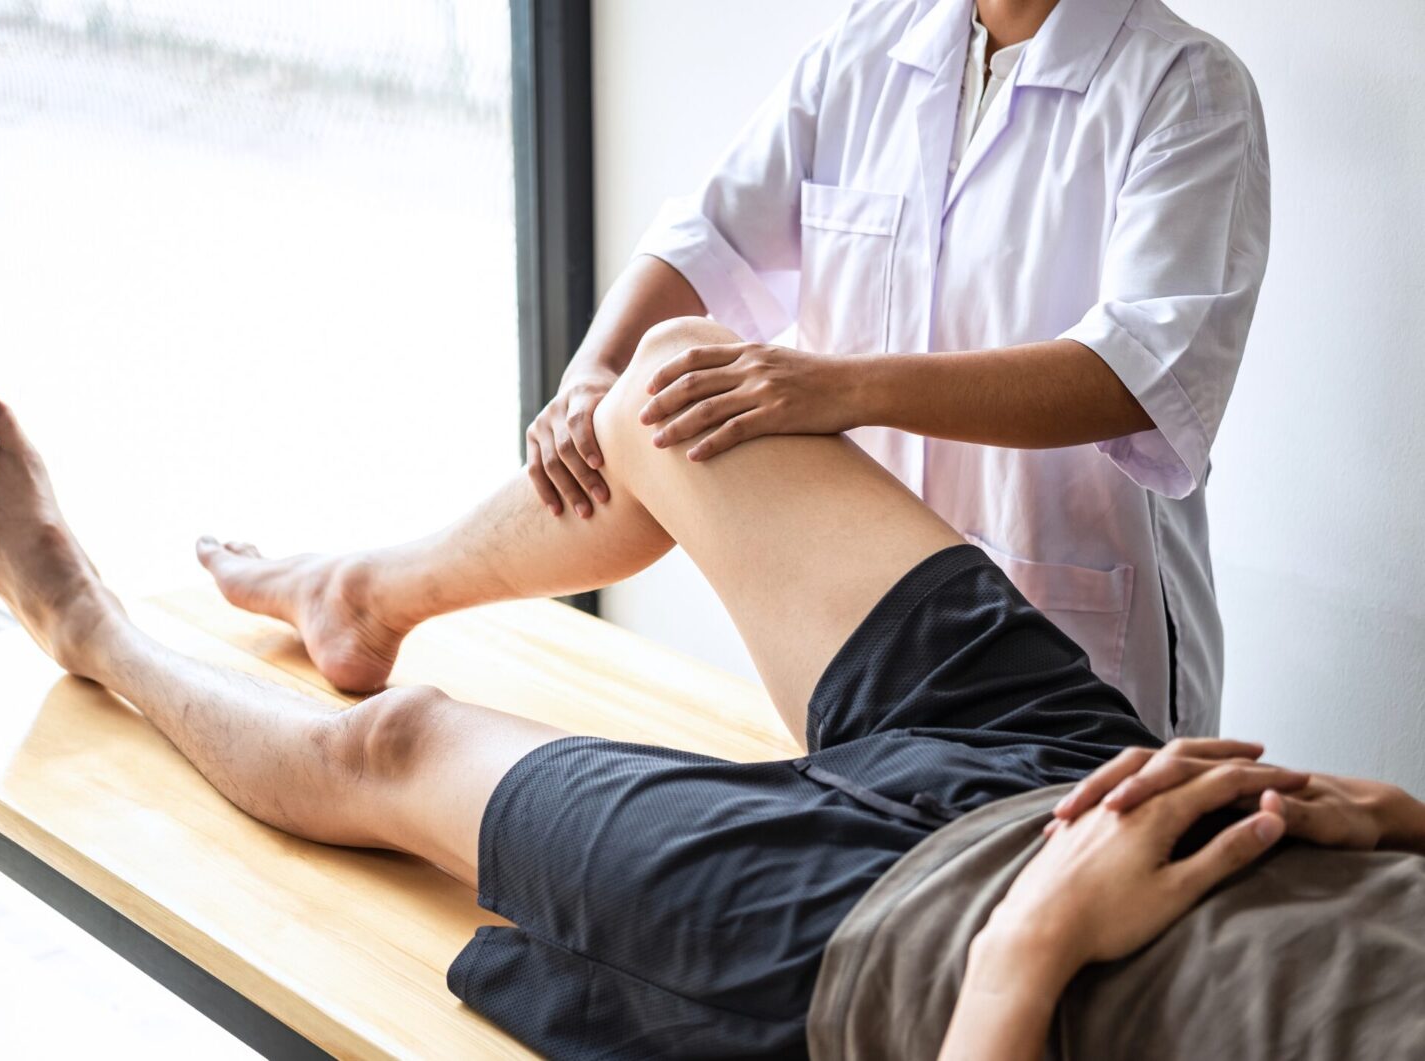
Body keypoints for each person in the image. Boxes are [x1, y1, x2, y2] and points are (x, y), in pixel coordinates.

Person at [0, 319, 1420, 1058]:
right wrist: (1390, 815)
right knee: (677, 388)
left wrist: (1034, 941)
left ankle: (89, 626)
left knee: (398, 747)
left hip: (884, 938)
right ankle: (362, 588)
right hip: (1082, 771)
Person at [521, 0, 1272, 741]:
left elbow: (1131, 376)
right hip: (857, 633)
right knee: (666, 379)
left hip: (1070, 649)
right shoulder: (866, 45)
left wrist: (838, 388)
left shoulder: (1187, 88)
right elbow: (711, 236)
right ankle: (402, 594)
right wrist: (595, 368)